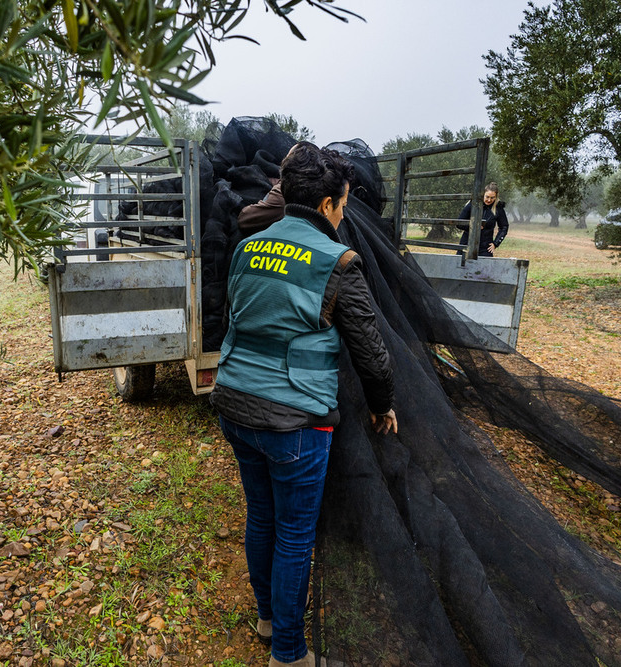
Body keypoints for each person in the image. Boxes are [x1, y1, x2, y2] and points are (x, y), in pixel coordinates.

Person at [211, 143, 398, 667]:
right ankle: (289, 655)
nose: (342, 214)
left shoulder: (248, 245)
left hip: (234, 407)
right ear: (325, 207)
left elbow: (236, 317)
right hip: (294, 423)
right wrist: (383, 403)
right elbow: (370, 349)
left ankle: (269, 620)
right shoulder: (338, 261)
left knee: (261, 518)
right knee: (295, 535)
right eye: (342, 204)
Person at [456, 182, 509, 257]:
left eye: (492, 197)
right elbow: (459, 223)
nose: (489, 200)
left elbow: (504, 227)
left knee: (484, 268)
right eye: (487, 197)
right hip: (467, 243)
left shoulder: (498, 208)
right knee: (461, 267)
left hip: (485, 248)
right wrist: (473, 226)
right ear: (483, 194)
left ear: (496, 197)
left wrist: (496, 243)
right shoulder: (473, 204)